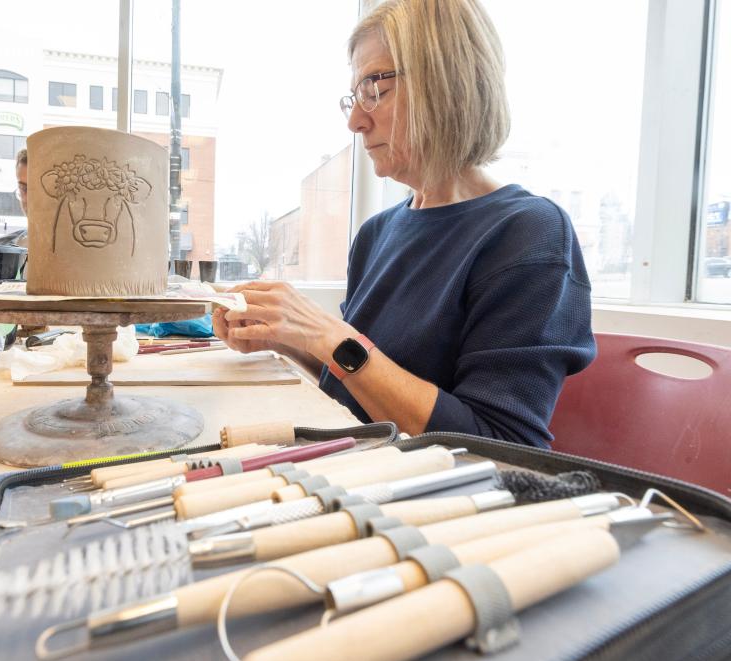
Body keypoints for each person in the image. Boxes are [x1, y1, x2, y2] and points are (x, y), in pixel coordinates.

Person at [212, 0, 596, 449]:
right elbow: (360, 386)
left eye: (375, 88)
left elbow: (501, 448)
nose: (356, 120)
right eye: (354, 98)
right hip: (363, 466)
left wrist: (326, 334)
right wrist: (285, 339)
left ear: (448, 81)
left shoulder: (529, 234)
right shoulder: (376, 234)